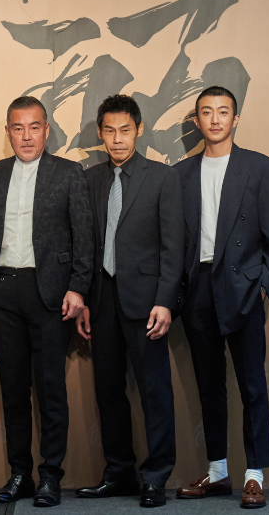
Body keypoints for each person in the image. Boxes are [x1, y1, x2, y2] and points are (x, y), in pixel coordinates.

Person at [0, 96, 93, 507]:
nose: (27, 136)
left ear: (46, 131)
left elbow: (84, 236)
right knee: (13, 389)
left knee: (51, 389)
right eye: (18, 128)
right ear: (9, 132)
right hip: (3, 292)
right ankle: (20, 473)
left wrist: (78, 288)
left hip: (52, 294)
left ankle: (50, 476)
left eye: (34, 127)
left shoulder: (69, 173)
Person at [172, 86, 269, 509]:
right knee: (209, 385)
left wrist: (264, 286)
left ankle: (255, 475)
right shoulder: (181, 174)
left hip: (242, 286)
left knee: (252, 384)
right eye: (207, 112)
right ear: (197, 121)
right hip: (198, 288)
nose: (215, 119)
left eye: (223, 112)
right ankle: (218, 472)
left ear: (235, 119)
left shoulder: (259, 168)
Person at [76, 95, 183, 508]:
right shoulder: (89, 179)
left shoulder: (163, 177)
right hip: (102, 300)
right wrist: (85, 299)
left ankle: (155, 477)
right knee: (108, 391)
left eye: (125, 130)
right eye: (109, 131)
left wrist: (166, 301)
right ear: (100, 133)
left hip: (147, 303)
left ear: (139, 130)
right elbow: (86, 244)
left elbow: (173, 246)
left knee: (155, 391)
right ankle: (118, 473)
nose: (117, 139)